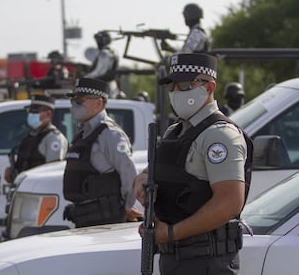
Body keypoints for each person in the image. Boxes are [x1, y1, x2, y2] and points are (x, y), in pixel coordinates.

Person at [133, 53, 252, 274]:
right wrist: (141, 183)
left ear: (209, 87)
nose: (176, 92)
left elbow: (229, 201)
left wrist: (171, 233)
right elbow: (150, 173)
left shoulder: (220, 135)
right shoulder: (175, 131)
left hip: (206, 260)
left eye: (185, 85)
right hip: (176, 258)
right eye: (173, 85)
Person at [62, 77, 142, 228]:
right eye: (72, 100)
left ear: (98, 103)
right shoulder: (82, 133)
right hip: (85, 218)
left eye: (79, 101)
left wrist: (127, 206)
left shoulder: (110, 134)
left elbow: (128, 172)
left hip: (107, 220)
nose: (73, 105)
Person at [4, 94, 68, 184]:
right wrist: (11, 171)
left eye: (35, 111)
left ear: (48, 114)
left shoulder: (54, 138)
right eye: (30, 111)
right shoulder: (31, 136)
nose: (31, 114)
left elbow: (53, 171)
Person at [84, 31, 120, 98]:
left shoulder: (104, 53)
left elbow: (99, 71)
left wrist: (85, 78)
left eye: (98, 40)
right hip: (109, 86)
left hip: (103, 88)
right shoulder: (113, 52)